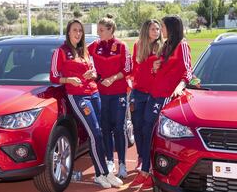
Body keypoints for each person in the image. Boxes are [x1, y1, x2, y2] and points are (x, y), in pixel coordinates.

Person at [50, 19, 123, 189]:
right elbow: (53, 76)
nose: (78, 33)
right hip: (78, 97)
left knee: (100, 132)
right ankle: (104, 172)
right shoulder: (61, 51)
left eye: (80, 31)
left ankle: (101, 174)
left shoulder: (85, 51)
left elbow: (95, 71)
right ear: (68, 32)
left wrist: (93, 74)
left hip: (94, 93)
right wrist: (68, 79)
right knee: (95, 133)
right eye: (75, 30)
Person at [130, 15, 193, 191]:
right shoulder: (166, 46)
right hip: (153, 95)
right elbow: (161, 70)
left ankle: (147, 173)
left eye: (163, 27)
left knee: (151, 133)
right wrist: (156, 67)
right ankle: (147, 170)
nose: (161, 30)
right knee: (144, 130)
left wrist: (180, 86)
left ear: (172, 28)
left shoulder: (182, 45)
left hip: (165, 96)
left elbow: (187, 70)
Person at [88, 15, 131, 178]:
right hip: (100, 94)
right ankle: (109, 161)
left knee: (119, 128)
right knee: (104, 128)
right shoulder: (94, 45)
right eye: (98, 29)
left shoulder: (121, 46)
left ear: (110, 30)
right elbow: (83, 56)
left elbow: (127, 69)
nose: (98, 32)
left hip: (118, 93)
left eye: (101, 30)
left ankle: (122, 164)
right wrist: (95, 76)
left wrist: (113, 78)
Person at [130, 19, 163, 171]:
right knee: (136, 126)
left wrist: (151, 67)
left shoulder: (162, 47)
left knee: (147, 128)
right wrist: (151, 64)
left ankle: (148, 160)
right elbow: (137, 70)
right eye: (153, 29)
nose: (156, 32)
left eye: (158, 29)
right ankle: (141, 157)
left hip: (153, 94)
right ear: (146, 31)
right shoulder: (138, 45)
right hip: (138, 92)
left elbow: (162, 71)